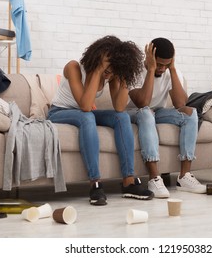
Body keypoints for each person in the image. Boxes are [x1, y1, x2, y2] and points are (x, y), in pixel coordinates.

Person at [48, 35, 154, 206]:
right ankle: (95, 183)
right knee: (87, 115)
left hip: (84, 112)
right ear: (96, 57)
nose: (108, 71)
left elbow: (119, 107)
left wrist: (125, 76)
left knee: (122, 117)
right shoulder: (74, 67)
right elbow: (85, 105)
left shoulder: (111, 76)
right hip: (59, 112)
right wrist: (98, 70)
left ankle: (128, 181)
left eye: (113, 68)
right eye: (107, 65)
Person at [127, 37, 206, 198]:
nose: (162, 69)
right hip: (134, 112)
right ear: (149, 57)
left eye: (166, 64)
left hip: (157, 112)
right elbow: (143, 102)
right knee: (146, 113)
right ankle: (155, 178)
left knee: (190, 113)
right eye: (159, 64)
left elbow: (181, 103)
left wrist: (173, 69)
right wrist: (150, 69)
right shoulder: (133, 71)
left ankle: (184, 177)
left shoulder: (170, 71)